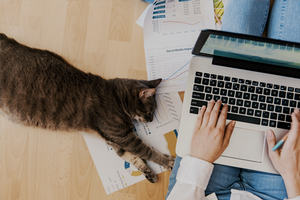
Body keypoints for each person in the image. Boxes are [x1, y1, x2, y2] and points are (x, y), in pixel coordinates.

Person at [166, 0, 300, 199]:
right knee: (293, 60)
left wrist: (199, 160)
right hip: (279, 194)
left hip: (201, 184)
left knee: (232, 46)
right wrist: (293, 177)